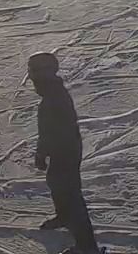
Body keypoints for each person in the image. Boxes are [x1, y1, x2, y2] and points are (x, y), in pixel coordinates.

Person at [28, 53, 100, 254]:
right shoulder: (51, 93)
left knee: (71, 196)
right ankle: (63, 216)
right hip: (63, 150)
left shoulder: (55, 97)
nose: (30, 76)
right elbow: (48, 130)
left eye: (33, 71)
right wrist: (44, 152)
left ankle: (87, 248)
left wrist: (45, 152)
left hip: (66, 151)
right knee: (57, 185)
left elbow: (58, 131)